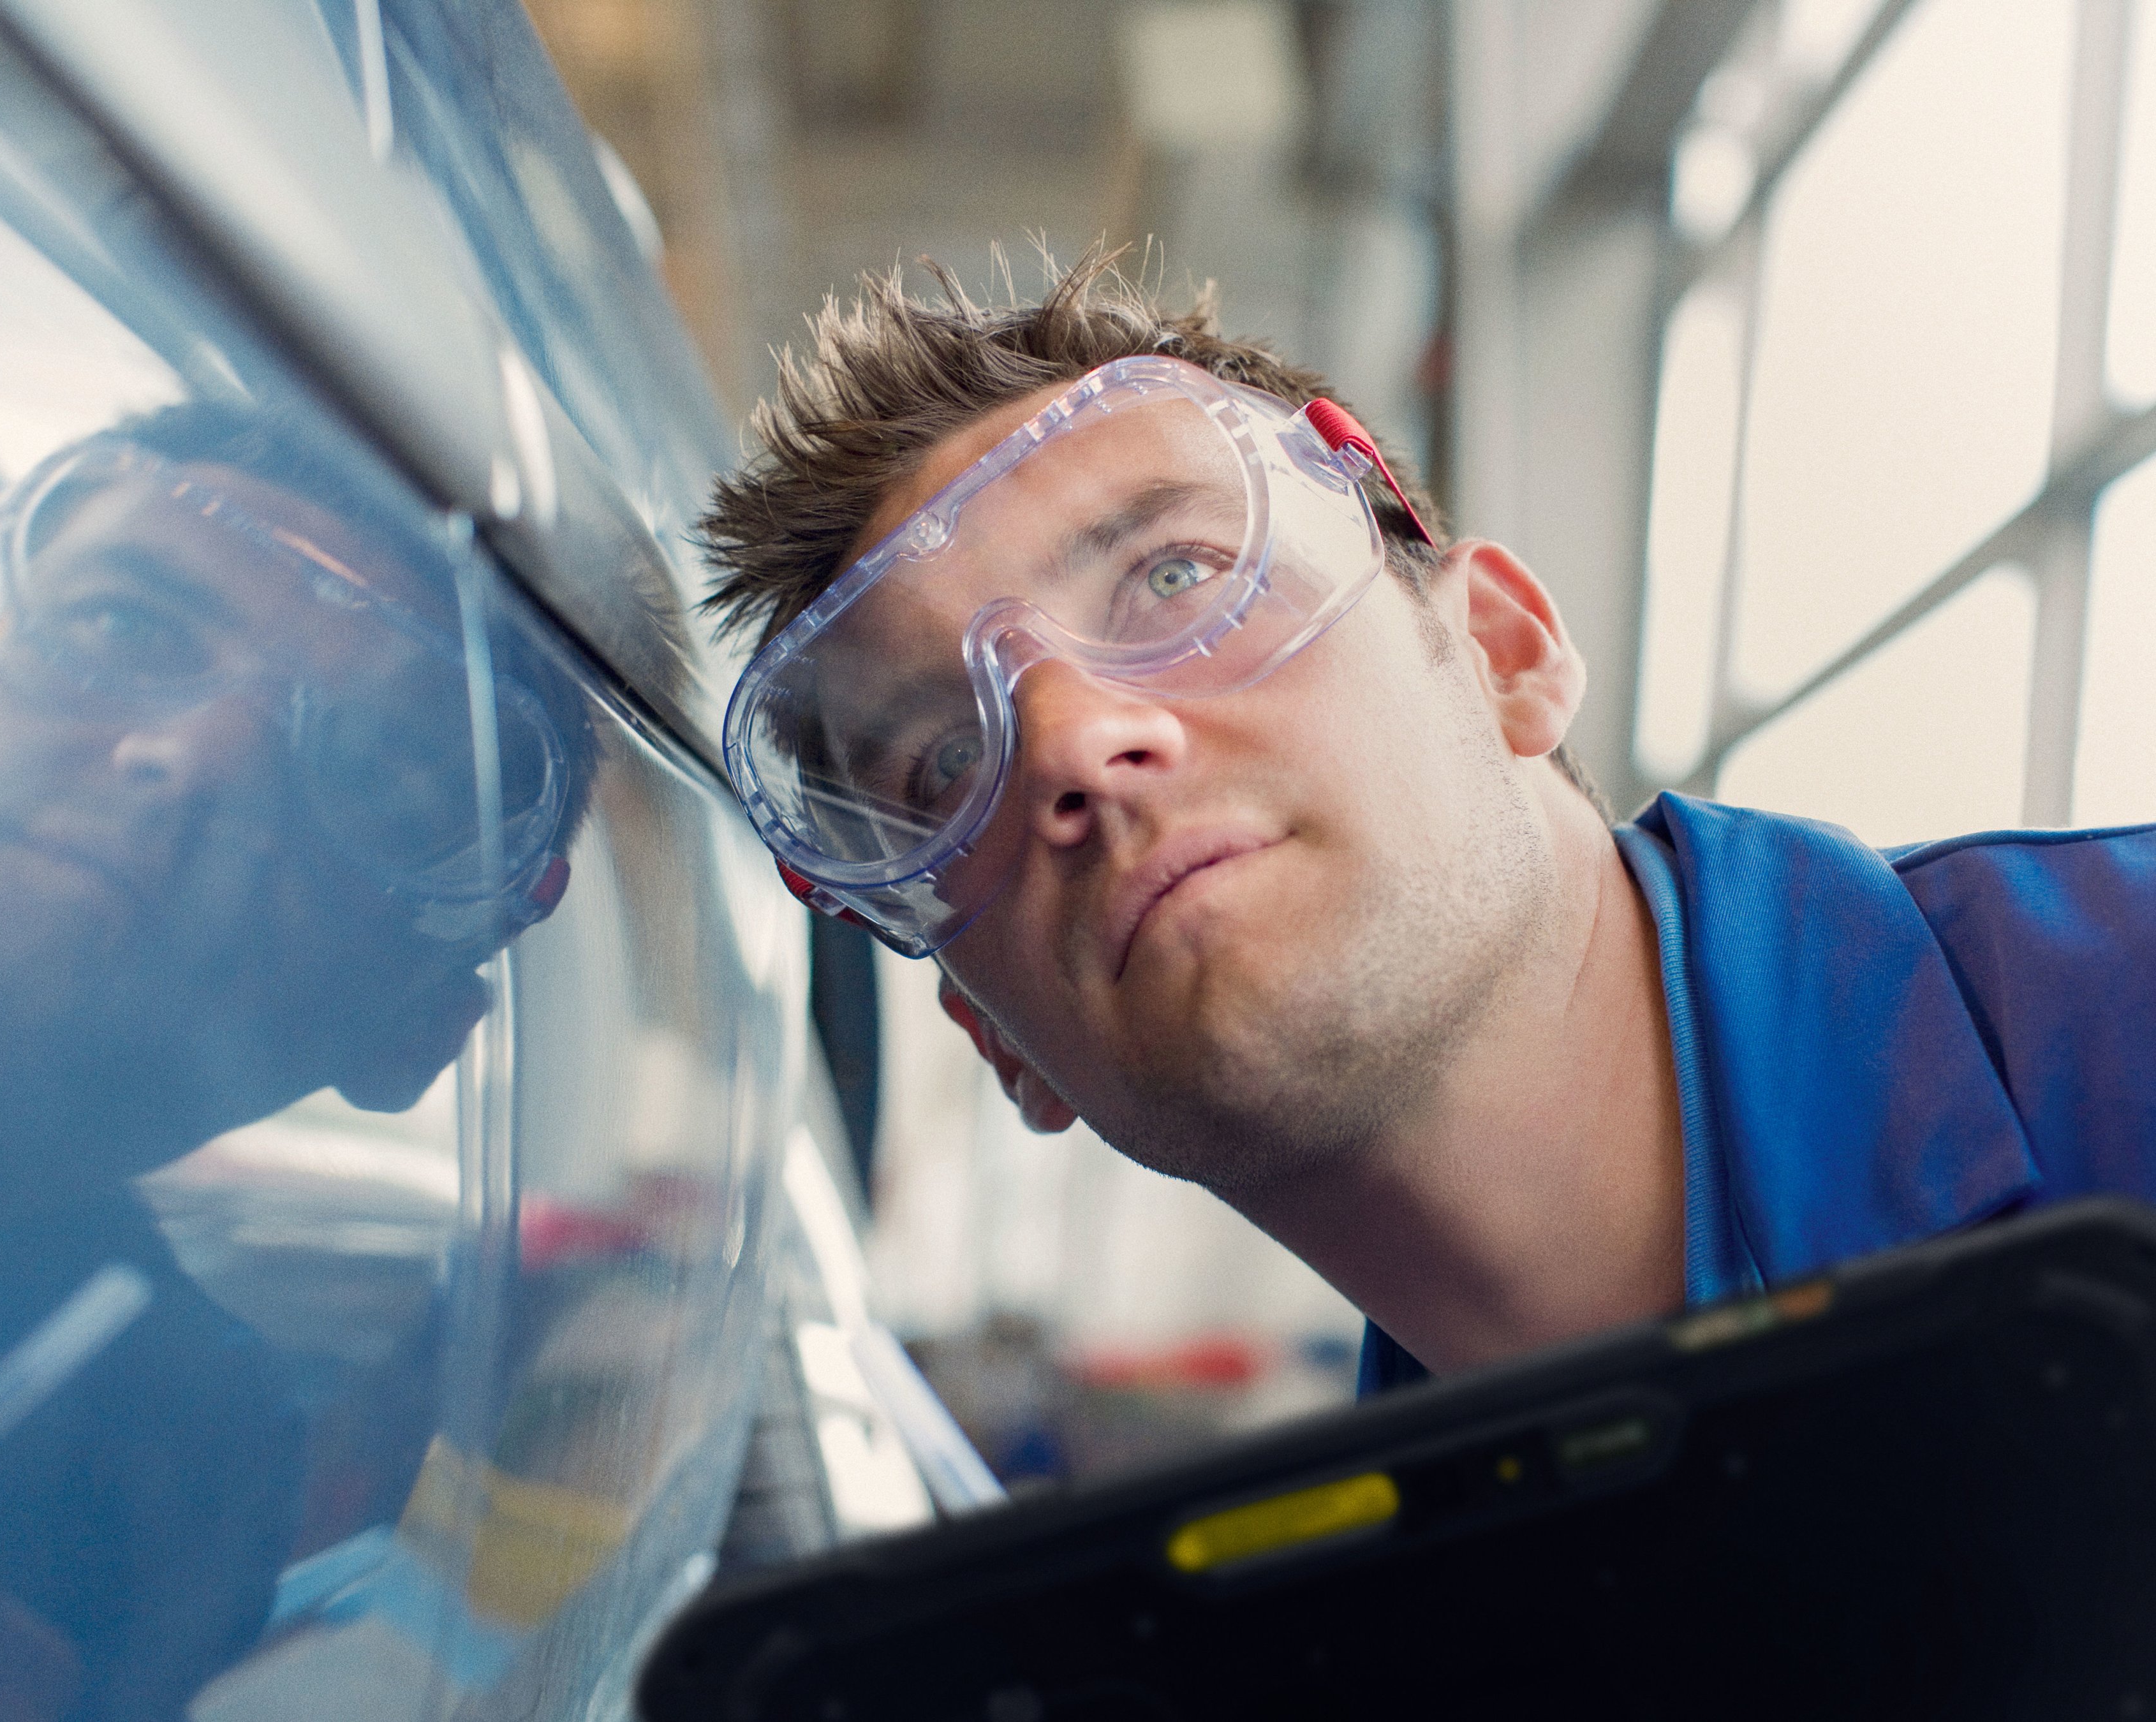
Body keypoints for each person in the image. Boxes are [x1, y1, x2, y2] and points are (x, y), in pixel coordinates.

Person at [698, 250, 2156, 1401]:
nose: (1074, 741)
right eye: (945, 761)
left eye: (1175, 574)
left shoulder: (2122, 1017)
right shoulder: (1446, 1622)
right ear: (994, 1036)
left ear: (1507, 653)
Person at [0, 403, 587, 1718]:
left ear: (412, 1033)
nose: (195, 759)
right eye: (125, 626)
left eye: (378, 772)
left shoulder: (162, 1455)